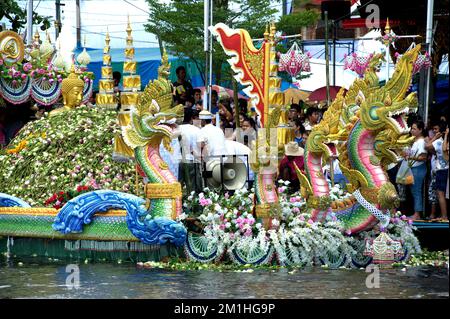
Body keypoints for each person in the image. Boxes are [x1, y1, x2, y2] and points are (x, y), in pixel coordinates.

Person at [403, 121, 428, 220]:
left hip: (418, 168)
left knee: (416, 191)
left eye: (414, 129)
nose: (412, 131)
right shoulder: (415, 141)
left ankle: (417, 214)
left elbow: (423, 157)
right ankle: (416, 212)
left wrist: (410, 157)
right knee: (414, 191)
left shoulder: (421, 142)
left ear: (420, 130)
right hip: (414, 168)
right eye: (411, 128)